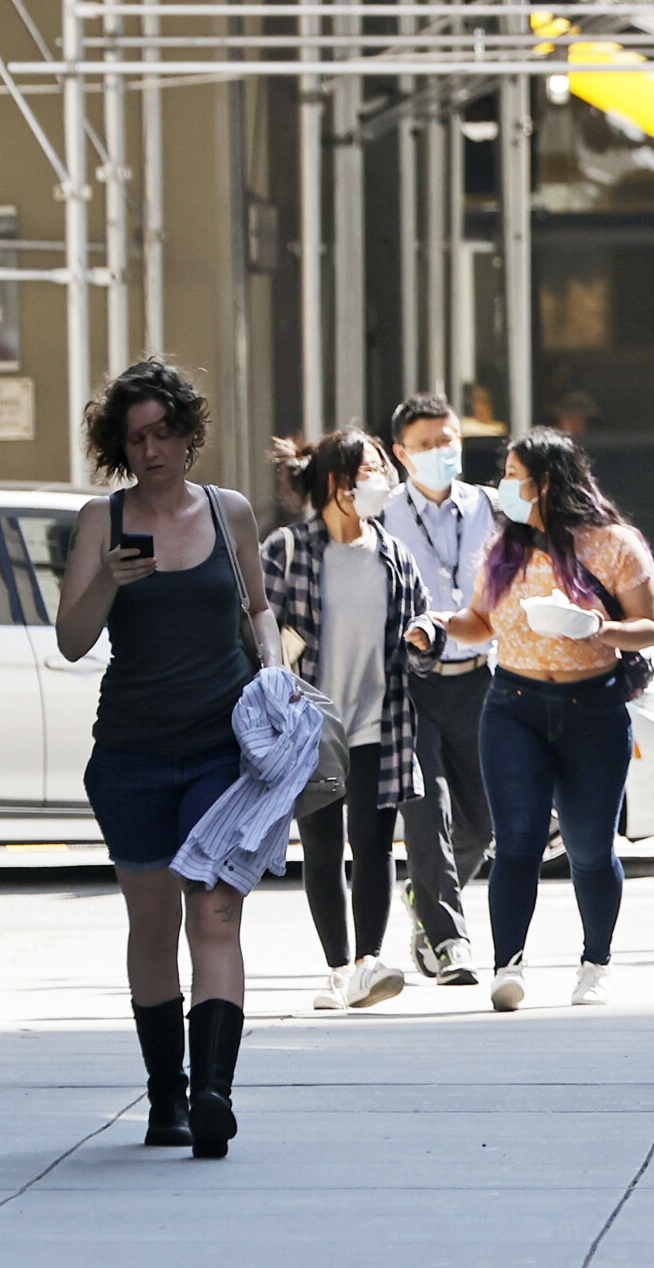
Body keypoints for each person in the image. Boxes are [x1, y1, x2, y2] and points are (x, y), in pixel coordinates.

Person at [56, 359, 282, 1158]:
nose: (152, 450)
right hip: (133, 754)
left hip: (224, 753)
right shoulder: (101, 520)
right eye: (136, 438)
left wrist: (277, 666)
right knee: (152, 922)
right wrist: (108, 583)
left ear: (189, 433)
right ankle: (167, 1097)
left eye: (163, 433)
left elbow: (258, 607)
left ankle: (214, 1092)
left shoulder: (230, 513)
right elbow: (72, 638)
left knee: (215, 913)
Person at [412, 429, 654, 1013]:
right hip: (513, 708)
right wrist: (441, 623)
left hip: (593, 708)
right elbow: (481, 621)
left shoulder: (615, 544)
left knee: (590, 848)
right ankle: (509, 966)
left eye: (512, 473)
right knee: (517, 843)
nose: (503, 484)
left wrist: (597, 630)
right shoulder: (504, 547)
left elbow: (650, 627)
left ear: (546, 482)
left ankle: (595, 964)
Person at [265, 430, 430, 1013]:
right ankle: (337, 970)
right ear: (337, 483)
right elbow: (255, 629)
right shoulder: (288, 550)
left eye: (381, 468)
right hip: (311, 726)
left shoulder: (394, 554)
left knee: (376, 844)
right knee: (323, 847)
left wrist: (424, 637)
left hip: (379, 723)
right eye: (369, 470)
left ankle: (368, 964)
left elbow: (421, 626)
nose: (379, 480)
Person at [382, 393, 499, 987]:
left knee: (486, 820)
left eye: (448, 440)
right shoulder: (383, 516)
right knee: (428, 816)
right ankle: (451, 941)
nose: (441, 452)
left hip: (481, 680)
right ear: (402, 454)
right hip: (412, 685)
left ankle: (422, 899)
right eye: (426, 445)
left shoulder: (494, 510)